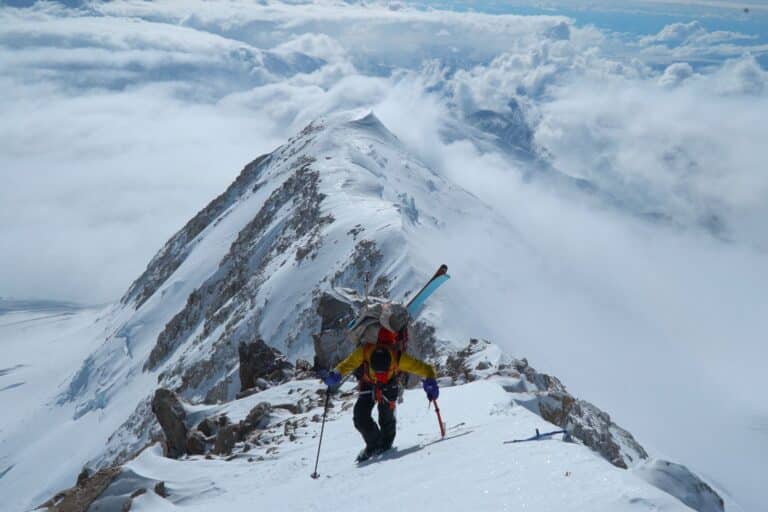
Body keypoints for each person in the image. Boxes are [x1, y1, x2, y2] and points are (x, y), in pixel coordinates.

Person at [322, 302, 440, 462]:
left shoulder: (391, 356)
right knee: (361, 417)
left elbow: (426, 369)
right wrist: (336, 374)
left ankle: (383, 445)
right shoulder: (375, 353)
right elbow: (346, 364)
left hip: (385, 384)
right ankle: (375, 445)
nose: (380, 373)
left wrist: (430, 381)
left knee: (385, 419)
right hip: (371, 383)